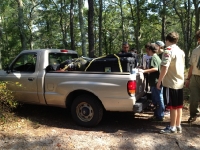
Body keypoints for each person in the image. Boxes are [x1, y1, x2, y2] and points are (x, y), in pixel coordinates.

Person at [157, 32, 185, 134]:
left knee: (172, 106)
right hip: (179, 82)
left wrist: (159, 81)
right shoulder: (181, 51)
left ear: (167, 40)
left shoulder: (168, 51)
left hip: (171, 82)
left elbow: (165, 67)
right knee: (179, 105)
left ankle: (172, 127)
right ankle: (178, 125)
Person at [139, 43, 165, 121]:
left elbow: (155, 69)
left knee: (158, 99)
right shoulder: (157, 57)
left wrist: (144, 71)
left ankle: (160, 116)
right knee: (157, 99)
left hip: (156, 82)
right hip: (156, 81)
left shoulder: (153, 57)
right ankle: (157, 114)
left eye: (148, 49)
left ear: (150, 50)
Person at [185, 30, 200, 123]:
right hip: (194, 77)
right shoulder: (195, 50)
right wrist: (188, 78)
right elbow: (192, 66)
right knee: (193, 99)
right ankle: (193, 114)